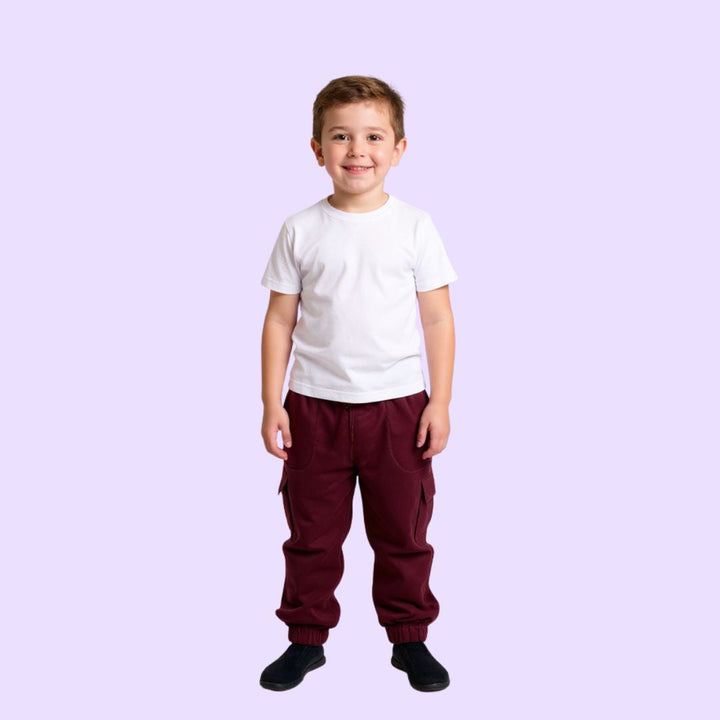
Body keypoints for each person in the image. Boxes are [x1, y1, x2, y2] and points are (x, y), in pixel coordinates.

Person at [259, 75, 457, 692]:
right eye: (340, 136)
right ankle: (305, 640)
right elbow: (279, 320)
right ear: (317, 148)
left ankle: (410, 638)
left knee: (403, 533)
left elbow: (437, 319)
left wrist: (441, 402)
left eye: (373, 137)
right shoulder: (300, 228)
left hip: (398, 411)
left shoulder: (415, 226)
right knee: (312, 536)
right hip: (313, 409)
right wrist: (271, 402)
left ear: (399, 148)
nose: (357, 150)